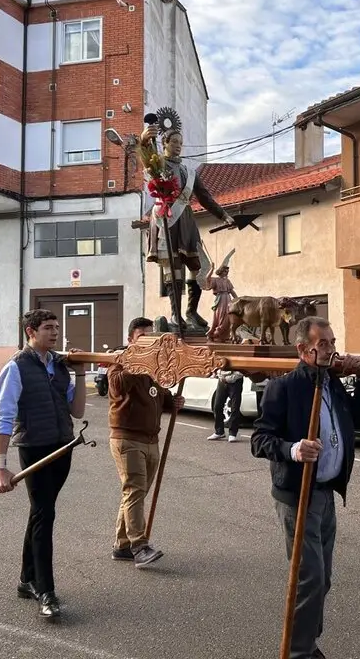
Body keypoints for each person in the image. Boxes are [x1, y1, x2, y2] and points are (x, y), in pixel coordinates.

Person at [250, 317, 360, 659]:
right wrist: (294, 449)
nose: (332, 350)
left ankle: (307, 640)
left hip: (326, 491)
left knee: (324, 578)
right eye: (324, 344)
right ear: (303, 349)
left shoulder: (331, 383)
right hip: (296, 494)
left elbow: (358, 421)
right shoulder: (285, 387)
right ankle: (297, 651)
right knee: (309, 578)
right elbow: (260, 439)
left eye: (333, 342)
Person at [0, 309, 87, 619]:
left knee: (40, 511)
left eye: (56, 327)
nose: (55, 332)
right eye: (48, 327)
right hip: (35, 449)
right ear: (31, 332)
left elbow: (76, 410)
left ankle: (26, 580)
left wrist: (81, 373)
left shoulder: (59, 366)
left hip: (63, 447)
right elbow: (3, 417)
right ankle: (45, 590)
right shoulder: (16, 367)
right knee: (45, 514)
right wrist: (0, 466)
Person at [135, 107, 234, 333]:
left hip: (186, 220)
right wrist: (144, 139)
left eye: (181, 141)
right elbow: (145, 152)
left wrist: (223, 214)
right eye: (174, 141)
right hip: (168, 220)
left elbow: (205, 196)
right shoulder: (158, 163)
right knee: (174, 269)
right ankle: (175, 314)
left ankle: (190, 311)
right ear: (165, 143)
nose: (178, 145)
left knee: (199, 267)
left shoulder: (189, 171)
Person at [107, 317, 185, 568]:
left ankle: (122, 545)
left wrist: (173, 402)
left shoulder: (154, 368)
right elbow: (117, 386)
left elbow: (160, 397)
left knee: (135, 492)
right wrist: (138, 358)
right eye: (142, 337)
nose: (148, 342)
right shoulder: (120, 361)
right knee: (135, 490)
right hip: (127, 438)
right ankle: (139, 546)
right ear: (131, 339)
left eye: (151, 337)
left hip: (151, 439)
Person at [208, 369, 244, 442]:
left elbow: (241, 371)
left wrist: (228, 378)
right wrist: (220, 376)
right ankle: (219, 431)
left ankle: (232, 433)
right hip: (222, 380)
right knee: (217, 406)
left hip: (235, 381)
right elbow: (218, 366)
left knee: (235, 407)